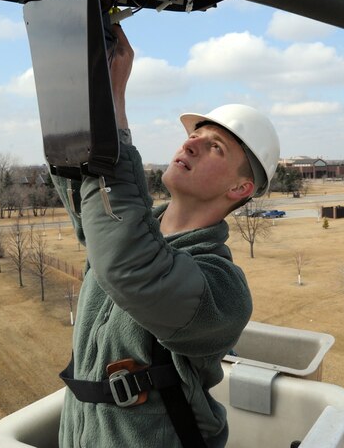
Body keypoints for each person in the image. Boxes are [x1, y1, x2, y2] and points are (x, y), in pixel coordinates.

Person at [51, 24, 280, 448]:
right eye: (195, 134)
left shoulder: (224, 292)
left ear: (240, 189)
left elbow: (134, 266)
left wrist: (114, 103)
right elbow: (92, 198)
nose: (191, 144)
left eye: (216, 147)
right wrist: (77, 85)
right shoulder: (126, 234)